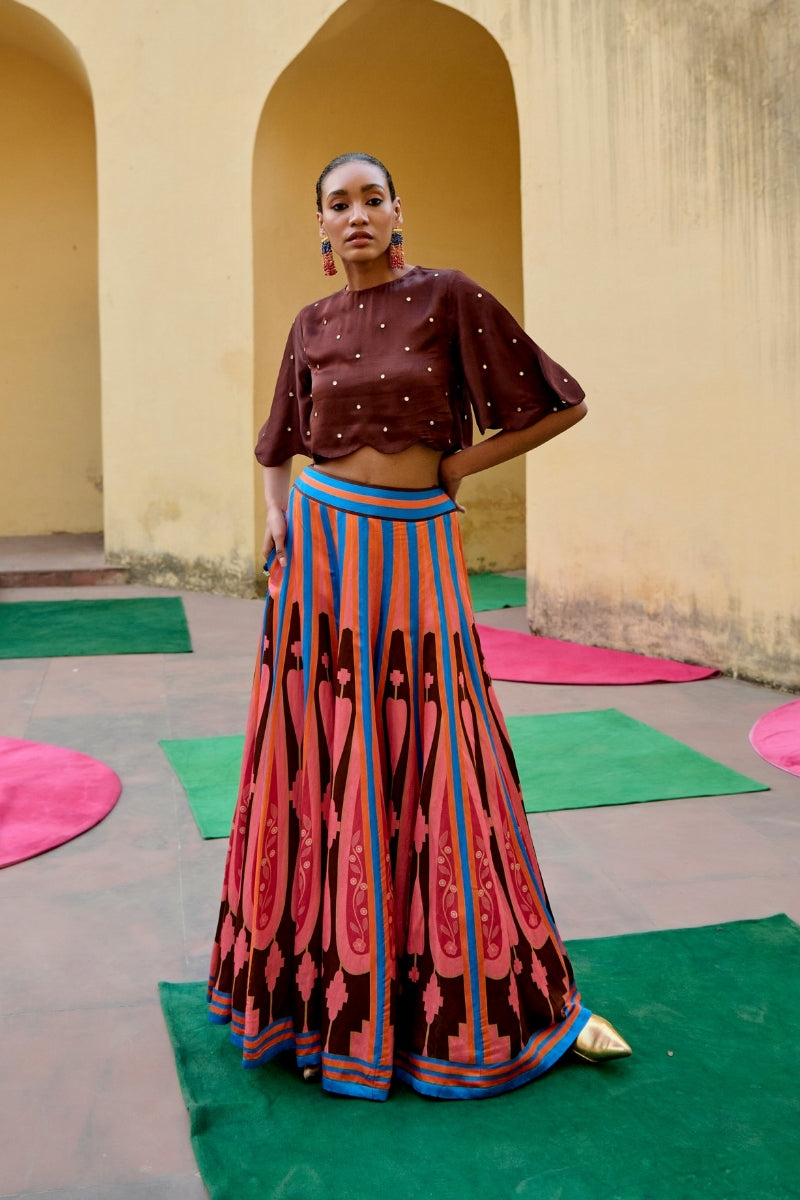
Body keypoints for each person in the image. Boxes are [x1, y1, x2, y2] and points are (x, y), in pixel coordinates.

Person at [207, 152, 631, 1100]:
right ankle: (313, 1002)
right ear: (319, 225)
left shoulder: (449, 296)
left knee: (440, 746)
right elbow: (277, 439)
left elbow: (561, 404)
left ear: (399, 210)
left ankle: (463, 1001)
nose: (355, 216)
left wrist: (461, 468)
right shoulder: (309, 323)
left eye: (370, 200)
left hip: (414, 555)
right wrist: (277, 514)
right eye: (336, 204)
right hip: (318, 559)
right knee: (319, 751)